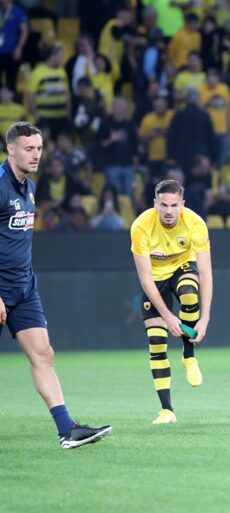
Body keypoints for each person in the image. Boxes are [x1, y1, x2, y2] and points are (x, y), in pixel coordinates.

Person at [0, 122, 111, 448]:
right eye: (29, 148)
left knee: (43, 354)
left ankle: (67, 430)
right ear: (11, 149)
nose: (36, 154)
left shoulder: (30, 187)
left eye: (39, 148)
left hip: (24, 289)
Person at [130, 179, 212, 424]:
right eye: (163, 205)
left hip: (181, 266)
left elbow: (206, 273)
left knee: (189, 292)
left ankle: (189, 356)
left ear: (182, 205)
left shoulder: (195, 223)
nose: (168, 211)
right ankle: (167, 410)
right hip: (155, 280)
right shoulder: (141, 227)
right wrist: (168, 316)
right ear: (155, 203)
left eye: (174, 205)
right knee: (156, 342)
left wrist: (205, 318)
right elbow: (146, 280)